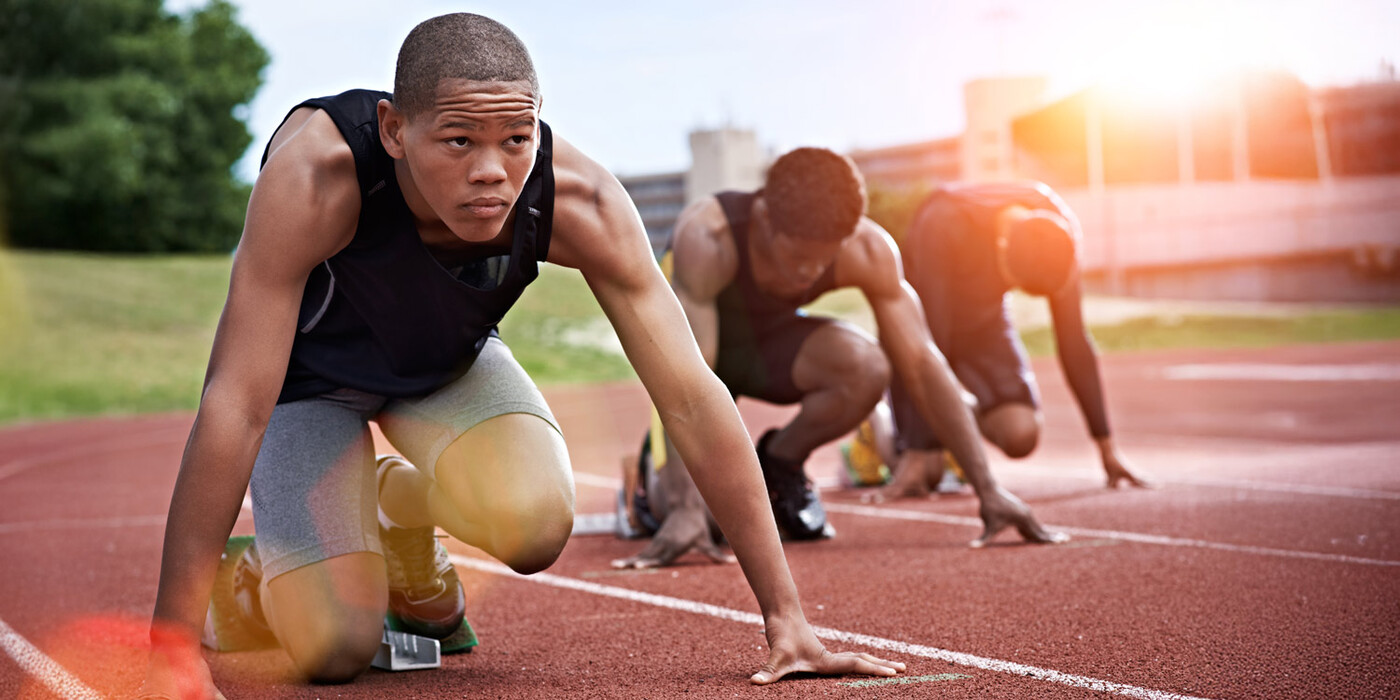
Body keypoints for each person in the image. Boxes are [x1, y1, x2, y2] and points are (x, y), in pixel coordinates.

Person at [136, 14, 906, 698]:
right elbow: (235, 403)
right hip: (311, 385)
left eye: (516, 139)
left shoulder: (578, 201)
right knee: (337, 651)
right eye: (459, 141)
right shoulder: (314, 177)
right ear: (395, 129)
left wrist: (787, 619)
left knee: (536, 524)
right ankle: (251, 582)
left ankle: (394, 512)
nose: (492, 171)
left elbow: (693, 397)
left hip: (443, 367)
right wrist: (170, 643)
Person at [611, 148, 1066, 570]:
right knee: (703, 521)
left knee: (868, 367)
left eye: (822, 258)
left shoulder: (868, 248)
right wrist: (688, 504)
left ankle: (781, 462)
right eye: (796, 256)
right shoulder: (708, 237)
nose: (809, 271)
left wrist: (988, 488)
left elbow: (924, 364)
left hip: (772, 347)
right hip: (698, 358)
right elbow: (687, 375)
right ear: (766, 217)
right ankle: (642, 489)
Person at [876, 181, 1149, 500]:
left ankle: (954, 427)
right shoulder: (942, 222)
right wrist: (918, 452)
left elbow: (1072, 338)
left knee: (1021, 434)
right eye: (1011, 282)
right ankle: (876, 429)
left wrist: (1107, 449)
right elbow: (934, 342)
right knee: (926, 475)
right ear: (1001, 245)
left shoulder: (1058, 235)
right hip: (922, 327)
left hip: (987, 323)